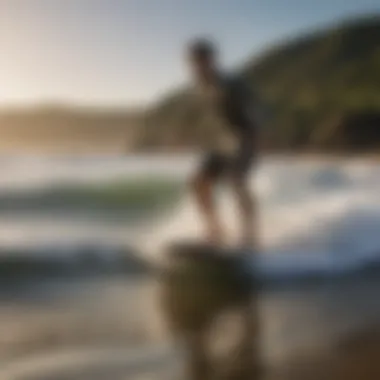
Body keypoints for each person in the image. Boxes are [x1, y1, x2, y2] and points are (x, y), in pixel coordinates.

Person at [187, 38, 259, 248]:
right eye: (194, 62)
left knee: (236, 181)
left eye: (202, 61)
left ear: (211, 60)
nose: (198, 66)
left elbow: (253, 108)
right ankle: (216, 231)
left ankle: (250, 237)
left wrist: (254, 136)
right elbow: (212, 117)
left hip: (244, 139)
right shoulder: (202, 85)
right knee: (198, 183)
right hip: (222, 143)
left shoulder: (231, 84)